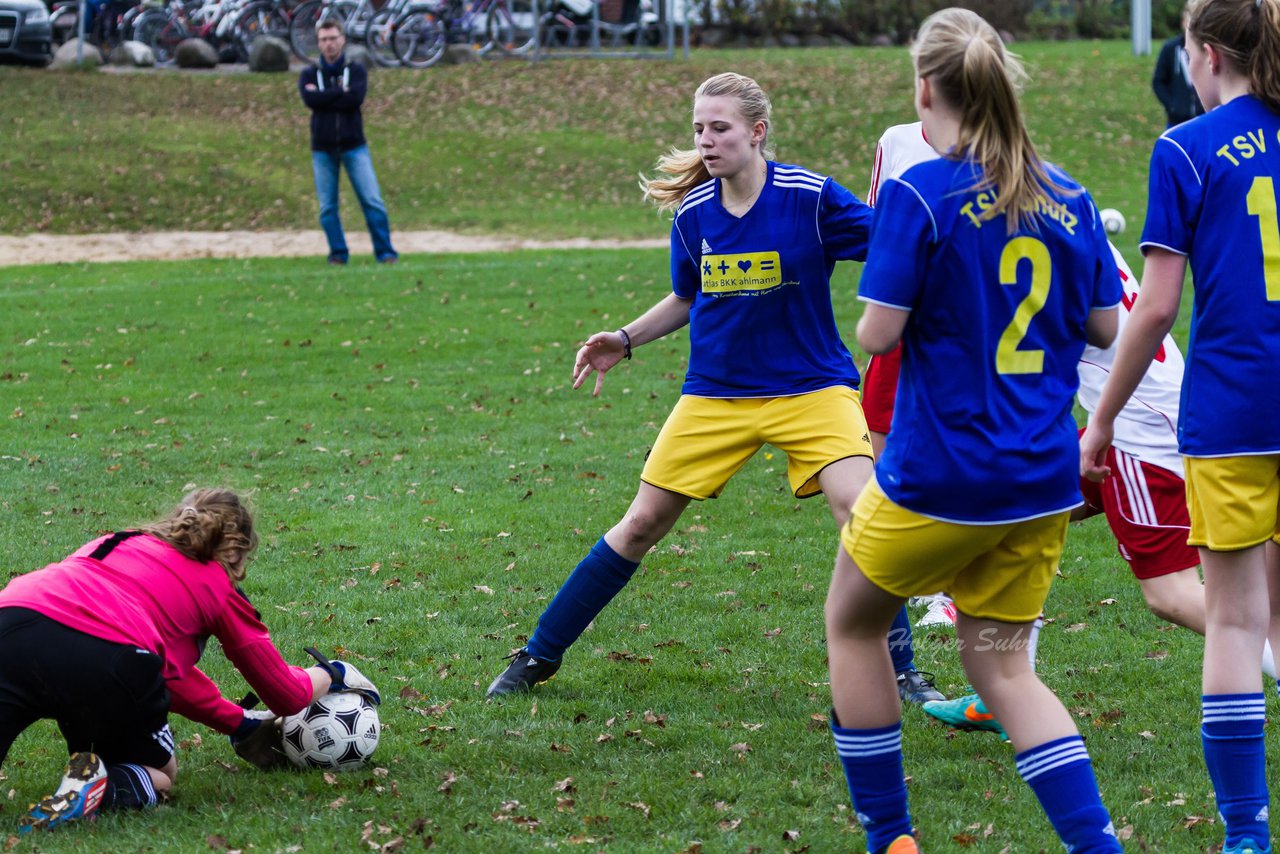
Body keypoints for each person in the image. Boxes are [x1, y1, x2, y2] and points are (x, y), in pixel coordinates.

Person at [486, 71, 942, 706]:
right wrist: (625, 337)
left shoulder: (811, 198)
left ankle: (904, 674)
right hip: (716, 397)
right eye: (699, 128)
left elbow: (893, 252)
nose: (706, 140)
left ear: (757, 133)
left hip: (812, 391)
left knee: (863, 513)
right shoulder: (694, 214)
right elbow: (686, 296)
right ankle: (538, 654)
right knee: (641, 522)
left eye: (719, 128)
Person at [825, 8, 1123, 853]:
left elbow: (877, 336)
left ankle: (891, 839)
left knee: (851, 625)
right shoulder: (1067, 193)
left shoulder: (921, 191)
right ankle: (1097, 846)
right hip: (1038, 482)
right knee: (1003, 668)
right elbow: (1105, 326)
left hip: (937, 477)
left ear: (925, 87)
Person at [926, 240, 1277, 739]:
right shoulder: (1074, 218)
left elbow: (1029, 357)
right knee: (1016, 517)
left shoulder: (1020, 247)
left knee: (1171, 594)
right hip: (1138, 416)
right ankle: (999, 693)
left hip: (1135, 432)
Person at [1080, 0, 1280, 850]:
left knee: (1236, 622)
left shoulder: (1186, 149)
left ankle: (1245, 834)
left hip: (1234, 411)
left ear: (1203, 54)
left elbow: (1155, 309)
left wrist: (1104, 423)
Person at [0, 488, 380, 832]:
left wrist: (239, 723)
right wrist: (333, 673)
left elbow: (168, 674)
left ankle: (90, 775)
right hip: (106, 658)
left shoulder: (116, 542)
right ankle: (102, 783)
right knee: (161, 774)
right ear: (235, 549)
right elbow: (285, 694)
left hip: (12, 621)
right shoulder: (219, 585)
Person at [298, 19, 398, 266]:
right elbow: (311, 101)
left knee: (372, 201)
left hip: (354, 146)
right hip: (323, 149)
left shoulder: (356, 70)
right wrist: (337, 93)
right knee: (327, 208)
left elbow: (354, 99)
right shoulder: (309, 73)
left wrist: (326, 96)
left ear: (342, 39)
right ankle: (338, 254)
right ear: (318, 43)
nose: (329, 44)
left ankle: (385, 253)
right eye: (323, 39)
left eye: (333, 38)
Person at [1153, 6, 1206, 127]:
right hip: (1177, 120)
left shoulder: (1206, 49)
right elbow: (1158, 81)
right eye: (1188, 21)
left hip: (1202, 118)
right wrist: (1172, 105)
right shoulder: (1170, 48)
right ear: (1183, 22)